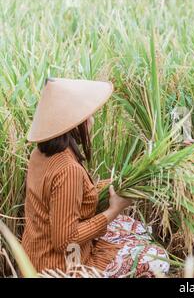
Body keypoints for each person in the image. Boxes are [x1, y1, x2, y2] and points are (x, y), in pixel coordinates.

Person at [22, 78, 170, 277]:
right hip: (60, 267)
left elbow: (71, 198)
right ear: (74, 124)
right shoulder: (68, 170)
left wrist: (125, 181)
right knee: (157, 259)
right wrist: (115, 209)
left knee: (135, 228)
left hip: (34, 256)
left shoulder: (40, 154)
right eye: (88, 115)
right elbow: (65, 241)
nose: (92, 120)